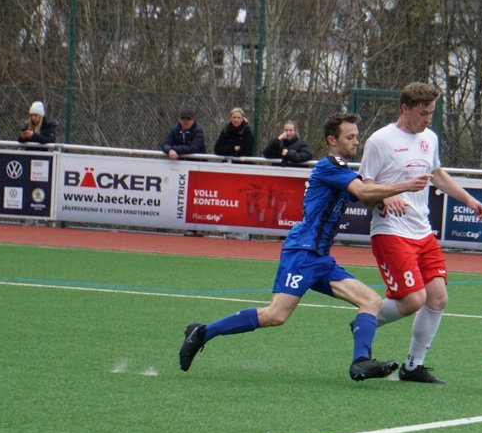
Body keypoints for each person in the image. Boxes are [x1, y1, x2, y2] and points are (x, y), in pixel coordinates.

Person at [179, 111, 430, 381]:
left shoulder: (342, 171)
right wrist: (403, 186)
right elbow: (362, 192)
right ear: (332, 140)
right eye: (350, 137)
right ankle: (203, 332)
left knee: (370, 300)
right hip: (303, 252)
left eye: (357, 136)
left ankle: (361, 362)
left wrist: (383, 198)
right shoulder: (329, 165)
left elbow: (366, 196)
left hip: (319, 257)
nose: (356, 141)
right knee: (276, 315)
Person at [359, 82, 482, 385]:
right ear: (405, 109)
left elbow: (437, 175)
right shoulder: (380, 140)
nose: (428, 119)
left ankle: (413, 366)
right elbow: (364, 185)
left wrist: (468, 199)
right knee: (414, 299)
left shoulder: (430, 138)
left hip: (422, 232)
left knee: (438, 298)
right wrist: (386, 196)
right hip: (390, 230)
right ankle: (365, 321)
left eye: (431, 113)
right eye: (423, 113)